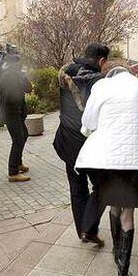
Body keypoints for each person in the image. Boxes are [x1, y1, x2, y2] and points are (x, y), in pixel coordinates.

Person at [75, 61, 138, 276]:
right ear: (128, 72)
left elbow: (89, 121)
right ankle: (123, 274)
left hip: (106, 159)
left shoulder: (101, 86)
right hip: (135, 159)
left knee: (113, 205)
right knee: (127, 214)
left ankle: (116, 253)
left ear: (108, 73)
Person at [53, 43, 110, 245]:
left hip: (68, 141)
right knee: (102, 187)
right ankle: (89, 228)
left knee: (77, 187)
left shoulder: (66, 72)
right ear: (101, 61)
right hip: (90, 143)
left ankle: (83, 231)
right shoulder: (100, 82)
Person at [0, 54, 32, 182]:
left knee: (24, 135)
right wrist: (8, 74)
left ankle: (18, 163)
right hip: (9, 112)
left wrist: (23, 76)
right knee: (18, 140)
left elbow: (28, 89)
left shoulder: (19, 75)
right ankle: (13, 172)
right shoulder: (0, 75)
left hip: (19, 111)